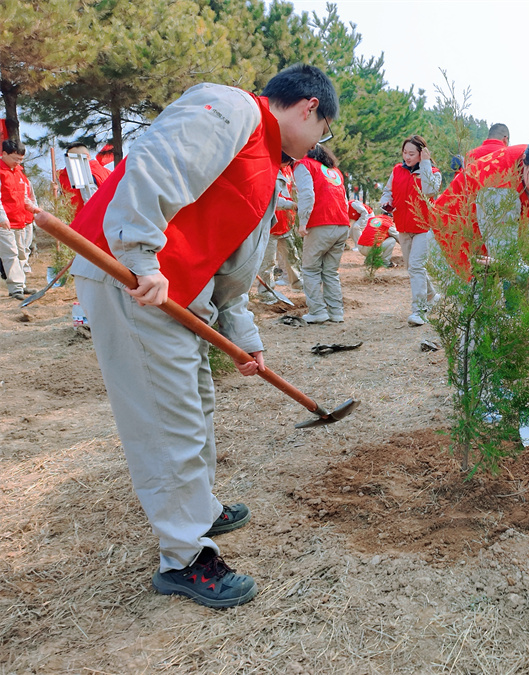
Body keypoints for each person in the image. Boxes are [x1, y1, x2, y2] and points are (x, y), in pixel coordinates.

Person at [62, 63, 338, 608]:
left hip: (176, 294)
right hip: (133, 280)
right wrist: (139, 253)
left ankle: (200, 508)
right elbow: (159, 162)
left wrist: (243, 333)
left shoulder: (266, 160)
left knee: (197, 403)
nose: (318, 144)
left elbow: (232, 267)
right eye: (323, 131)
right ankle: (185, 557)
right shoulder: (233, 109)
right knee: (168, 421)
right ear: (310, 108)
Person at [433, 128, 529, 275]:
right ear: (525, 160)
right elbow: (506, 260)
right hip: (449, 238)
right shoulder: (499, 190)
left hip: (480, 235)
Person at [380, 134, 442, 326]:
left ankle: (419, 311)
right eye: (405, 152)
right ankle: (432, 295)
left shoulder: (433, 172)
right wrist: (386, 202)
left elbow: (429, 191)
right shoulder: (397, 170)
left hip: (424, 228)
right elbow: (388, 191)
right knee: (413, 268)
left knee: (416, 267)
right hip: (403, 227)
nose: (407, 157)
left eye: (412, 153)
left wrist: (425, 164)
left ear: (422, 153)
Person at [295, 144, 349, 323]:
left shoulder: (304, 164)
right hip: (341, 223)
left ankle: (317, 311)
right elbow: (344, 200)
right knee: (330, 272)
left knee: (310, 269)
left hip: (321, 222)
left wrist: (303, 222)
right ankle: (336, 312)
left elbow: (307, 194)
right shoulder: (334, 171)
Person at [256, 156, 303, 302]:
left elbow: (293, 190)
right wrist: (291, 205)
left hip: (286, 223)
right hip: (269, 226)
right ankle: (265, 292)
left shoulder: (288, 170)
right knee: (268, 262)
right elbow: (269, 199)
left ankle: (298, 284)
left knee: (292, 257)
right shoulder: (268, 169)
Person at [0, 139, 37, 299]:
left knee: (22, 254)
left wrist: (34, 210)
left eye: (21, 159)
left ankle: (21, 284)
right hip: (5, 222)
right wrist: (2, 217)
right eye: (15, 158)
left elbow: (25, 196)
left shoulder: (19, 172)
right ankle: (15, 288)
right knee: (10, 253)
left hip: (21, 220)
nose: (18, 162)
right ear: (4, 154)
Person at [58, 143, 112, 215]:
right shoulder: (109, 173)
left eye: (72, 159)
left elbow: (90, 203)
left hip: (89, 217)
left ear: (86, 156)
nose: (70, 163)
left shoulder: (83, 173)